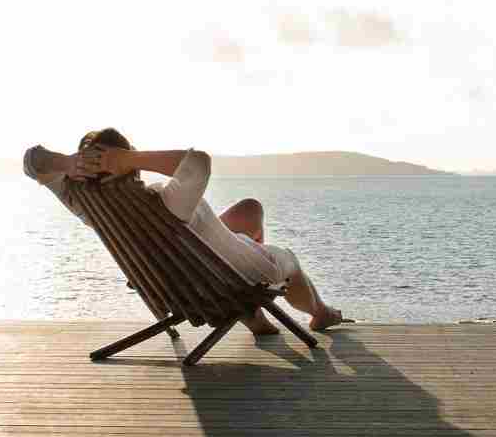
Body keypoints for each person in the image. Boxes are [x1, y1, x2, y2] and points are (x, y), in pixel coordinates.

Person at [24, 128, 350, 335]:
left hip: (185, 275)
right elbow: (199, 162)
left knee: (250, 210)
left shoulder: (84, 204)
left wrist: (68, 163)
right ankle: (318, 313)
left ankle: (253, 315)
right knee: (287, 260)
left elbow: (31, 161)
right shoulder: (168, 201)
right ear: (125, 164)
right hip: (228, 278)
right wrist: (128, 158)